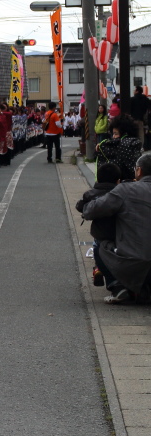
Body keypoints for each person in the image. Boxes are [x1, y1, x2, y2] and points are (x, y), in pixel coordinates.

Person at [82, 153, 151, 304]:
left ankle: (117, 286)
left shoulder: (126, 190)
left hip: (135, 260)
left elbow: (92, 210)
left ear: (138, 171)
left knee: (100, 242)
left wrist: (85, 205)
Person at [75, 162, 121, 288]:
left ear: (98, 178)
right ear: (118, 180)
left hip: (101, 232)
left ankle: (100, 269)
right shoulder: (121, 193)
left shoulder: (91, 194)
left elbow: (80, 206)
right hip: (120, 232)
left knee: (97, 247)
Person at [97, 115, 144, 182]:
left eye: (115, 134)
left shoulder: (123, 146)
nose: (113, 137)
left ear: (125, 134)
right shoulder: (133, 145)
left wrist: (103, 145)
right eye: (113, 134)